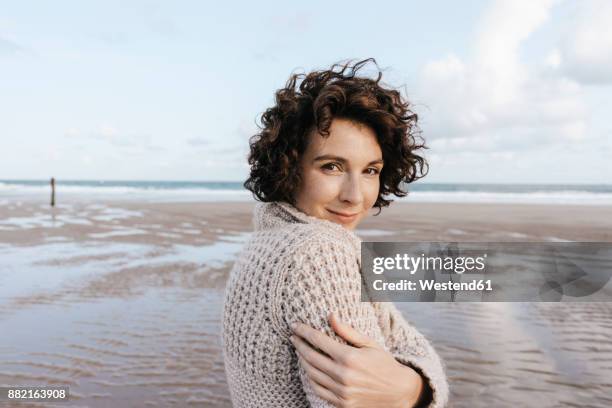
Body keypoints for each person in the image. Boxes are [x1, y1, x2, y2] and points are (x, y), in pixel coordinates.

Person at [221, 58, 448, 407]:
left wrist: (410, 388)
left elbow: (405, 342)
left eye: (370, 170)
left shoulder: (268, 241)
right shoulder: (319, 253)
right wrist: (411, 391)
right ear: (289, 165)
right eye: (332, 166)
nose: (355, 195)